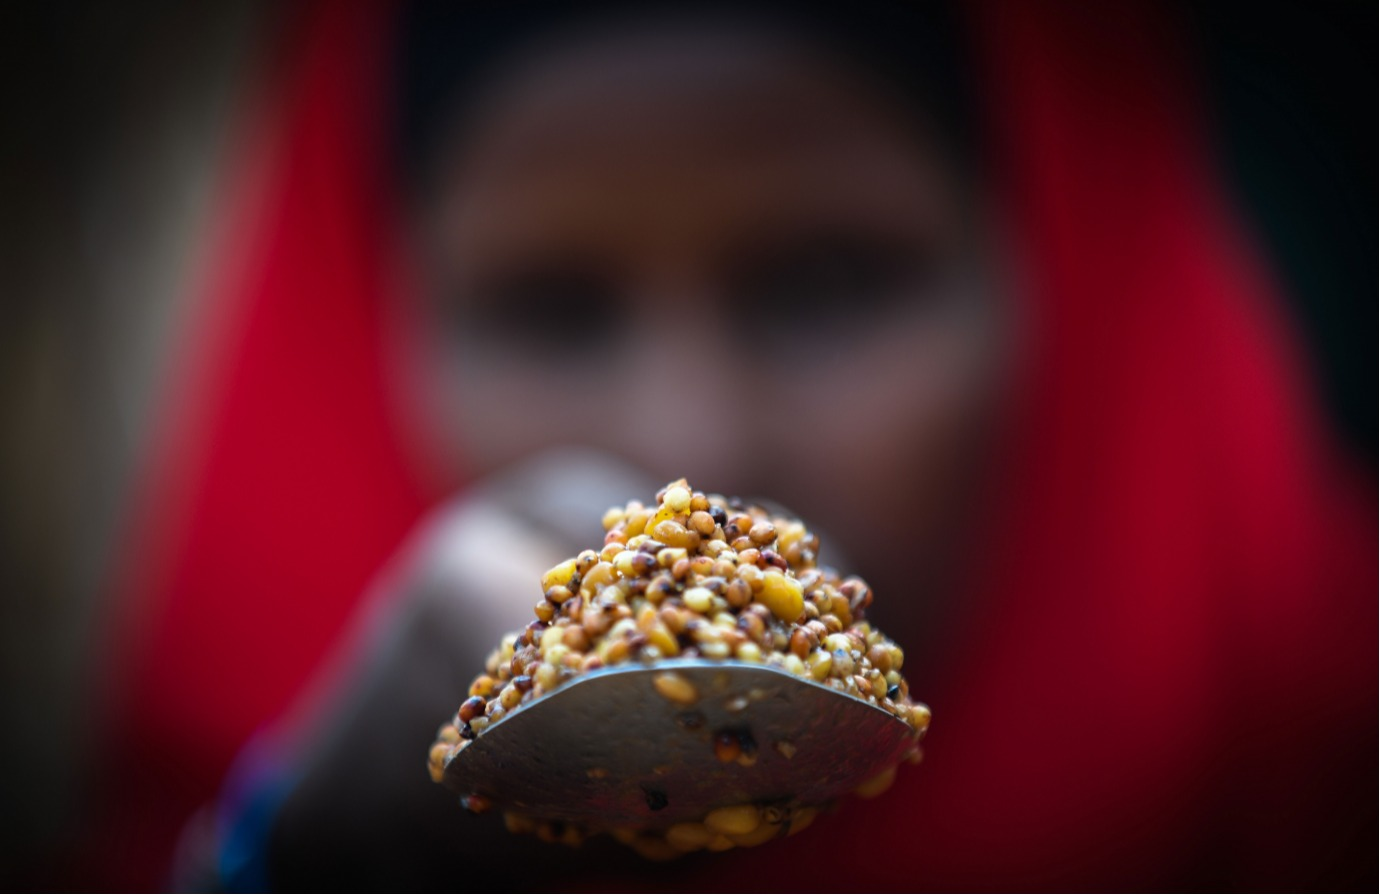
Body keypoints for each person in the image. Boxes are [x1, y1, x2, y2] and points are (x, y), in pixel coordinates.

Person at [99, 1, 1376, 890]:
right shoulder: (214, 784)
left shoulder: (1331, 749)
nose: (688, 440)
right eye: (551, 306)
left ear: (1065, 280)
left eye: (828, 281)